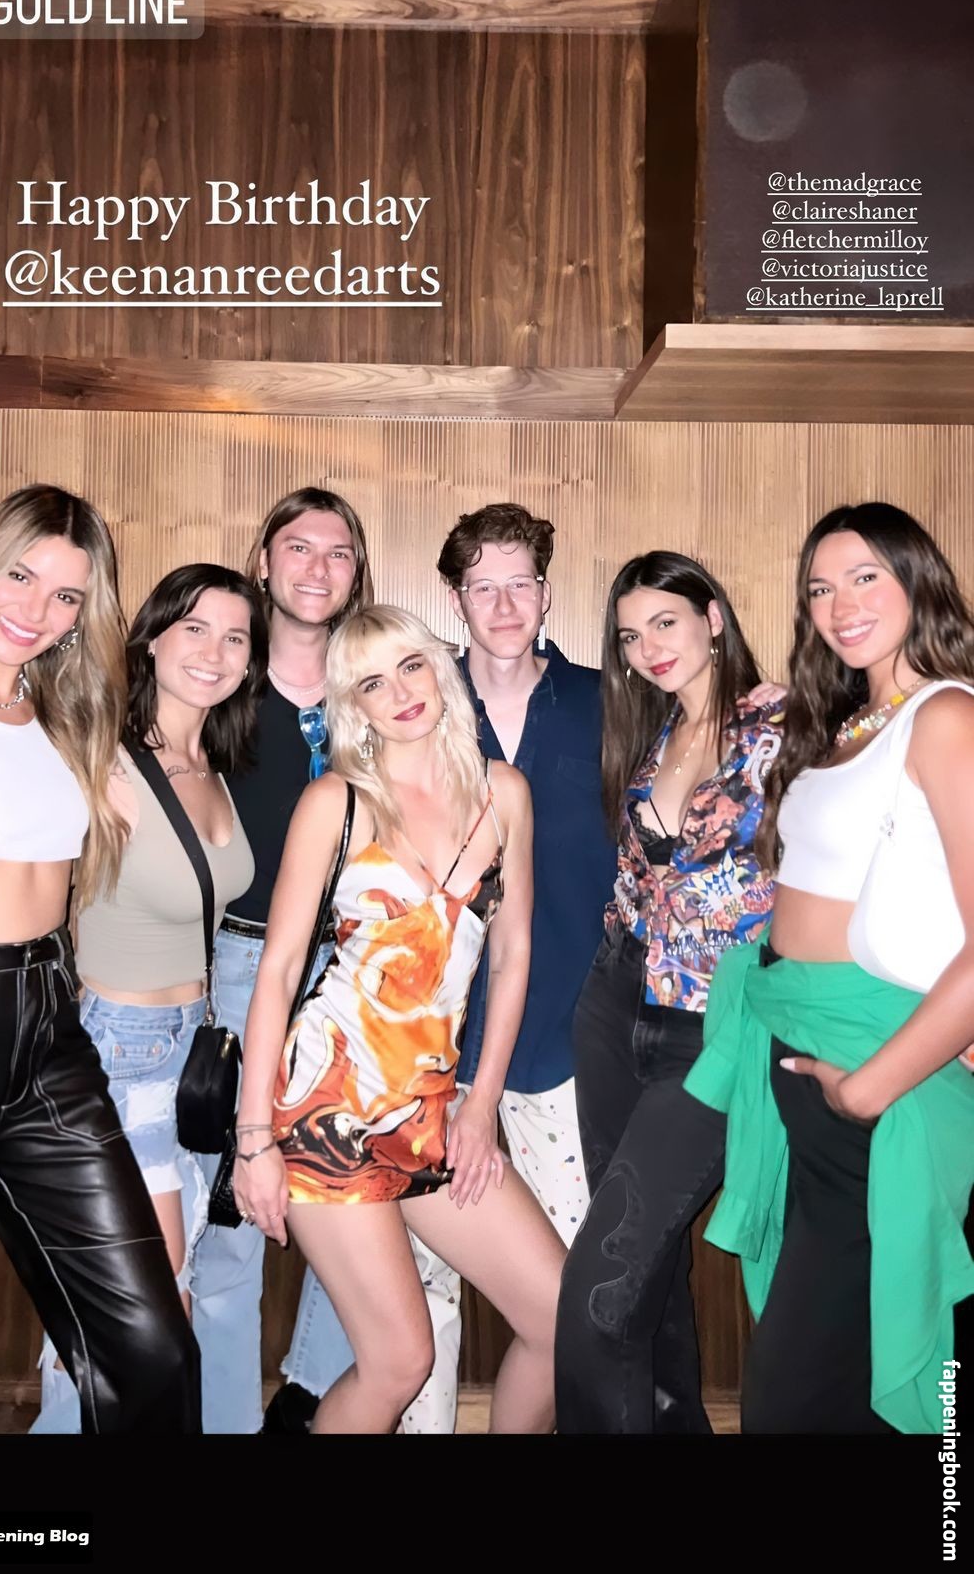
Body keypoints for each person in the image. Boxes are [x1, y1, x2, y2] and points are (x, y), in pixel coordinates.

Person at [0, 485, 200, 1434]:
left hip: (47, 1026)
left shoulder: (66, 714)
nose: (37, 608)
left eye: (67, 594)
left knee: (151, 1344)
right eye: (21, 576)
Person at [234, 606, 565, 1434]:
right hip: (326, 1111)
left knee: (565, 1323)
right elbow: (279, 971)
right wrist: (253, 1141)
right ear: (353, 706)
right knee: (398, 1362)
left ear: (439, 668)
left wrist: (481, 1104)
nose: (401, 693)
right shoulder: (336, 802)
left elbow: (512, 954)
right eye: (372, 683)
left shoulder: (503, 794)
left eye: (411, 666)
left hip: (433, 1109)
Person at [685, 503, 974, 1434]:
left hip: (881, 1083)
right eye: (820, 587)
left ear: (918, 581)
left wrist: (869, 1089)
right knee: (842, 1374)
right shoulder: (849, 722)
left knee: (805, 1389)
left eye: (865, 577)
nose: (841, 605)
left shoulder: (947, 717)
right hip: (814, 1066)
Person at [375, 502, 610, 1433]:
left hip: (566, 1039)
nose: (505, 605)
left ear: (547, 593)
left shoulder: (607, 701)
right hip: (429, 1047)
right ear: (455, 598)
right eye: (484, 587)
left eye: (521, 584)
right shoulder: (416, 708)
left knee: (580, 1290)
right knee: (422, 1291)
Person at [554, 551, 783, 1434]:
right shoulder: (653, 734)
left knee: (599, 1290)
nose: (647, 647)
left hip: (715, 1028)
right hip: (614, 1005)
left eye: (665, 622)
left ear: (712, 619)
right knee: (647, 1278)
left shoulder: (783, 725)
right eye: (628, 635)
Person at [32, 563, 261, 1431]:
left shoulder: (213, 764)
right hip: (120, 1048)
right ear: (153, 640)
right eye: (194, 628)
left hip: (191, 1046)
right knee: (144, 1312)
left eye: (235, 637)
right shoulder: (103, 762)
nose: (214, 652)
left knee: (145, 1309)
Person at [193, 487, 372, 1433]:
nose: (316, 567)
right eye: (297, 547)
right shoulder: (217, 676)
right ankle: (225, 1422)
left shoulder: (376, 684)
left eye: (338, 552)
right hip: (238, 968)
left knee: (357, 1205)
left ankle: (308, 1404)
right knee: (230, 1221)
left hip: (353, 979)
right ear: (263, 562)